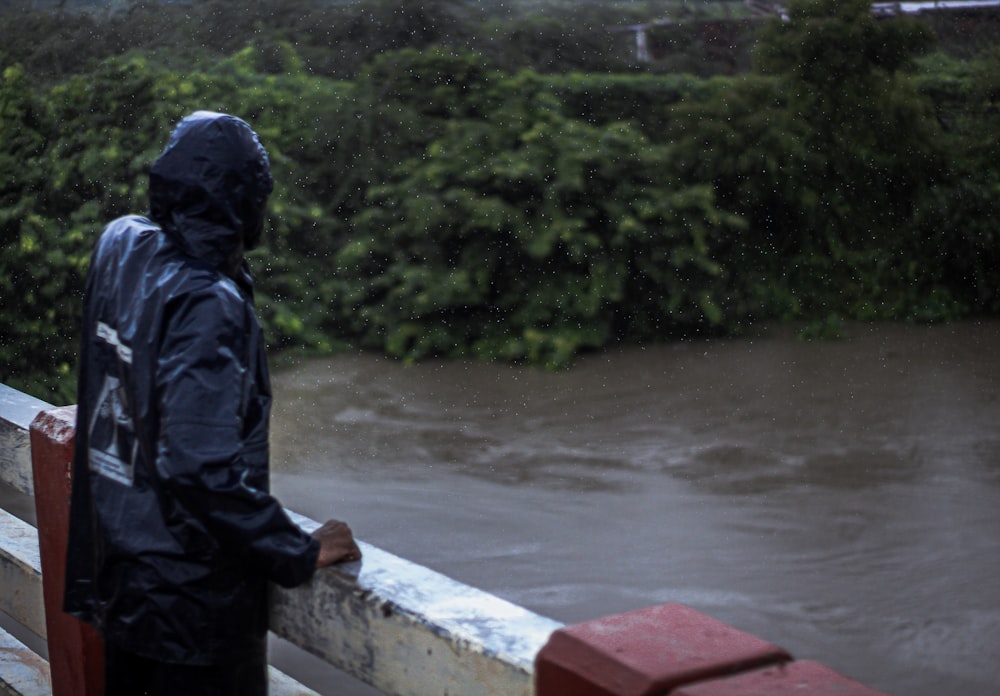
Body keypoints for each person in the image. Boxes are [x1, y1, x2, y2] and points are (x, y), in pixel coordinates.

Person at [64, 111, 361, 696]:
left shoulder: (121, 244)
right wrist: (296, 550)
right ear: (246, 201)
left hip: (122, 585)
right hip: (193, 615)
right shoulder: (207, 301)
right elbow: (198, 465)